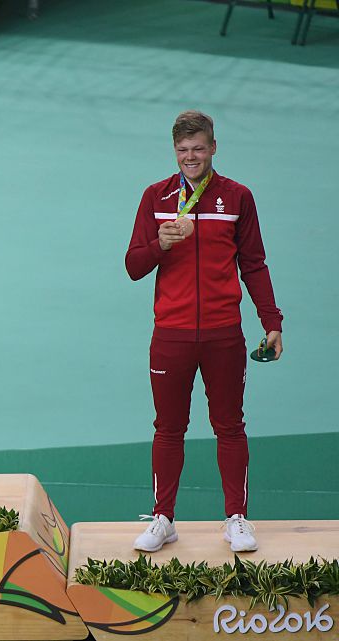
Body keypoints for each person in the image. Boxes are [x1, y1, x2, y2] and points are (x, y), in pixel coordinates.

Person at [125, 111, 283, 553]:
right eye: (182, 151)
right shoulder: (156, 197)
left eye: (198, 149)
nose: (190, 158)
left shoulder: (237, 198)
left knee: (230, 426)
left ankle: (236, 519)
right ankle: (163, 519)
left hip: (222, 335)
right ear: (174, 152)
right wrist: (162, 244)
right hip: (171, 335)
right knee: (168, 428)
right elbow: (134, 266)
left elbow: (253, 264)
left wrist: (272, 322)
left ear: (213, 148)